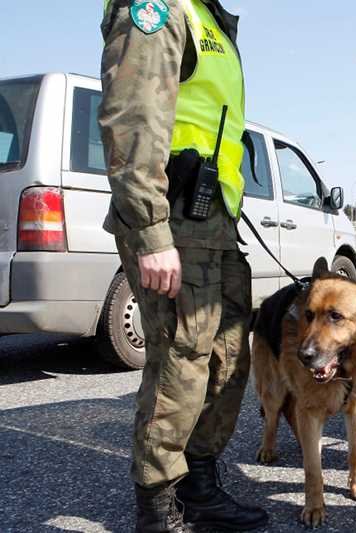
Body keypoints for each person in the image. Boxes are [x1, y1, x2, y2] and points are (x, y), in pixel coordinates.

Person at [98, 1, 269, 531]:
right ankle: (157, 504)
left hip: (214, 216)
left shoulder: (211, 17)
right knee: (181, 359)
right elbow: (134, 116)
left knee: (229, 355)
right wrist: (151, 233)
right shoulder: (158, 6)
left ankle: (199, 484)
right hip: (173, 214)